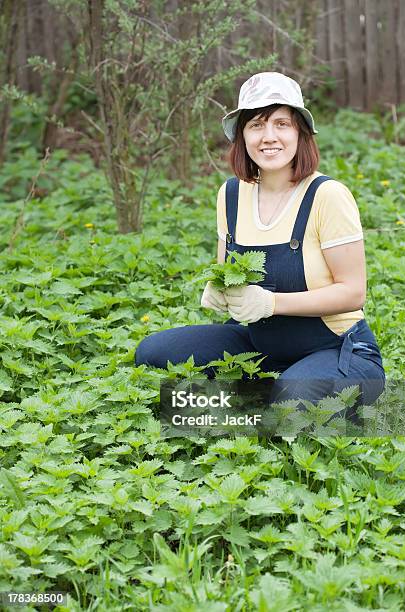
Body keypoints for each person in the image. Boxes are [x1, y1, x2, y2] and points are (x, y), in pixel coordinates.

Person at [135, 72, 385, 412]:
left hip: (336, 348)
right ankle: (274, 392)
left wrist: (271, 303)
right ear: (242, 136)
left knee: (286, 406)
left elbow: (352, 292)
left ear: (300, 132)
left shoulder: (327, 195)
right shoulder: (232, 194)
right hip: (259, 345)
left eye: (281, 124)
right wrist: (220, 288)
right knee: (152, 354)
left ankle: (282, 399)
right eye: (256, 125)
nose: (269, 137)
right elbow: (227, 271)